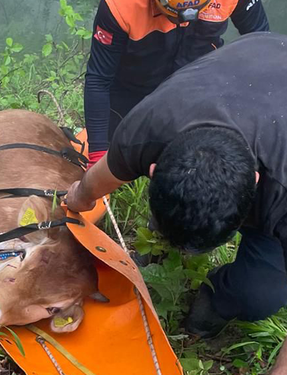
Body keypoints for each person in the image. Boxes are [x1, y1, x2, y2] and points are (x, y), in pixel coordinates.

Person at [66, 32, 287, 373]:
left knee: (258, 295)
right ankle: (158, 247)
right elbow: (97, 179)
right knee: (172, 220)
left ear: (256, 182)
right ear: (153, 170)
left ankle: (216, 303)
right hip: (253, 57)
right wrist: (75, 199)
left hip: (274, 113)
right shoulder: (148, 125)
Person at [83, 0, 269, 167]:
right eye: (171, 13)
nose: (183, 19)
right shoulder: (120, 5)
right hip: (129, 90)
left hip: (197, 91)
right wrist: (98, 153)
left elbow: (261, 46)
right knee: (115, 162)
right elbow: (99, 79)